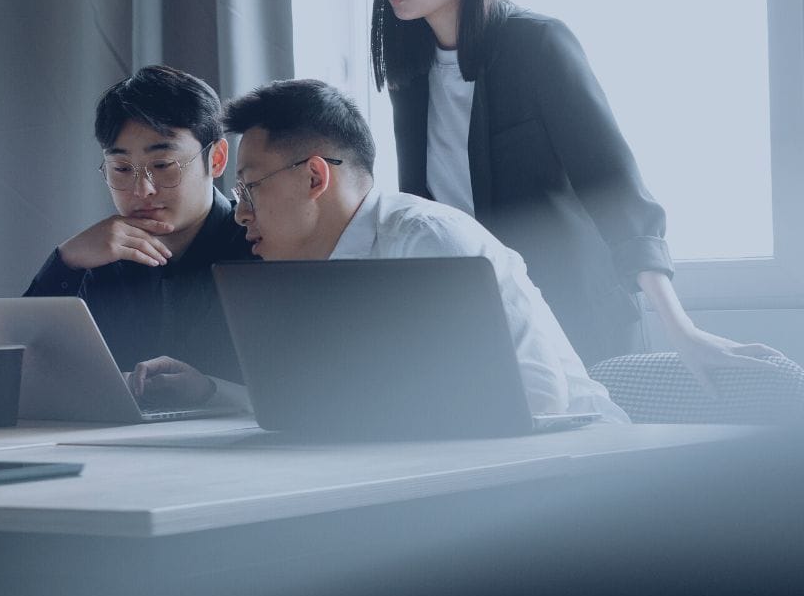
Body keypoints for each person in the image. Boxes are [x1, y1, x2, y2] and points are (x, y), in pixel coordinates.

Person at [369, 0, 781, 392]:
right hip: (478, 329)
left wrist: (682, 329)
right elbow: (428, 210)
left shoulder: (537, 44)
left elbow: (615, 188)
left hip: (579, 320)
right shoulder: (409, 70)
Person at [224, 78, 628, 422]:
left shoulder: (427, 239)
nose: (240, 214)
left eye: (250, 188)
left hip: (584, 466)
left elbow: (538, 400)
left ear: (315, 177)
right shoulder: (309, 266)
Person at [25, 64, 254, 408]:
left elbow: (303, 394)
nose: (142, 189)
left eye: (163, 166)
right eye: (121, 169)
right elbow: (22, 372)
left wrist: (211, 391)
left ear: (217, 158)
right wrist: (66, 261)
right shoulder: (95, 258)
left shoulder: (259, 245)